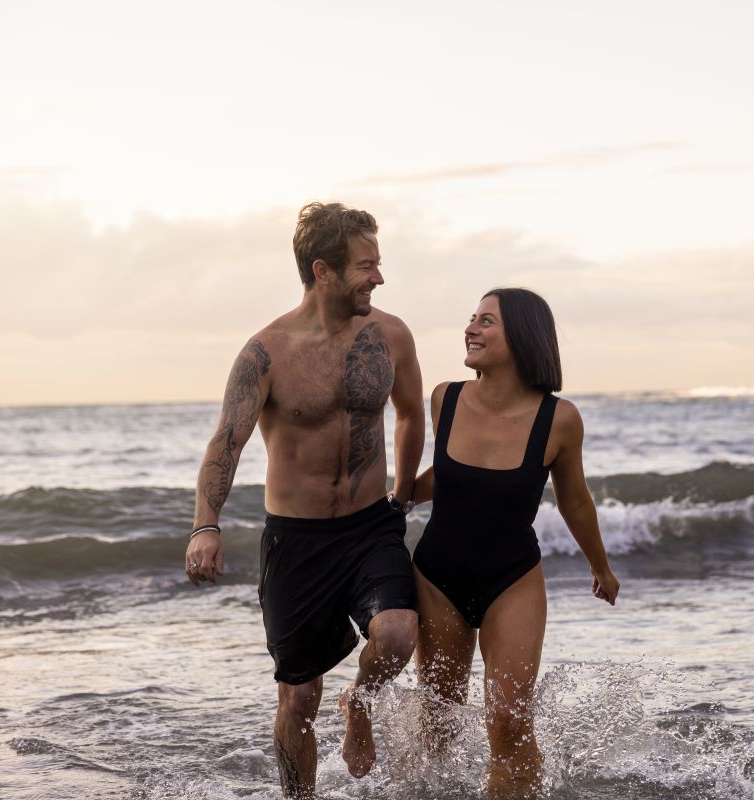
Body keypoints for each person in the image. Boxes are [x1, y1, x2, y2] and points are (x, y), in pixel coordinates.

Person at [182, 202, 424, 799]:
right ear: (323, 271)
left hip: (372, 527)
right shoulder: (266, 351)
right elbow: (227, 441)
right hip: (298, 541)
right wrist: (204, 526)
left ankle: (361, 702)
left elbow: (412, 414)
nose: (379, 277)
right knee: (298, 696)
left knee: (396, 635)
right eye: (366, 265)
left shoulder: (391, 336)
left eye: (378, 263)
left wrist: (402, 492)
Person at [409, 287, 620, 800]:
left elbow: (574, 501)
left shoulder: (560, 419)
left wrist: (602, 567)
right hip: (437, 575)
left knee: (507, 718)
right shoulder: (446, 398)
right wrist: (397, 498)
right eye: (472, 318)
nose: (471, 328)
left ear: (522, 337)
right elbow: (452, 474)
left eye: (486, 321)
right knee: (439, 722)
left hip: (513, 578)